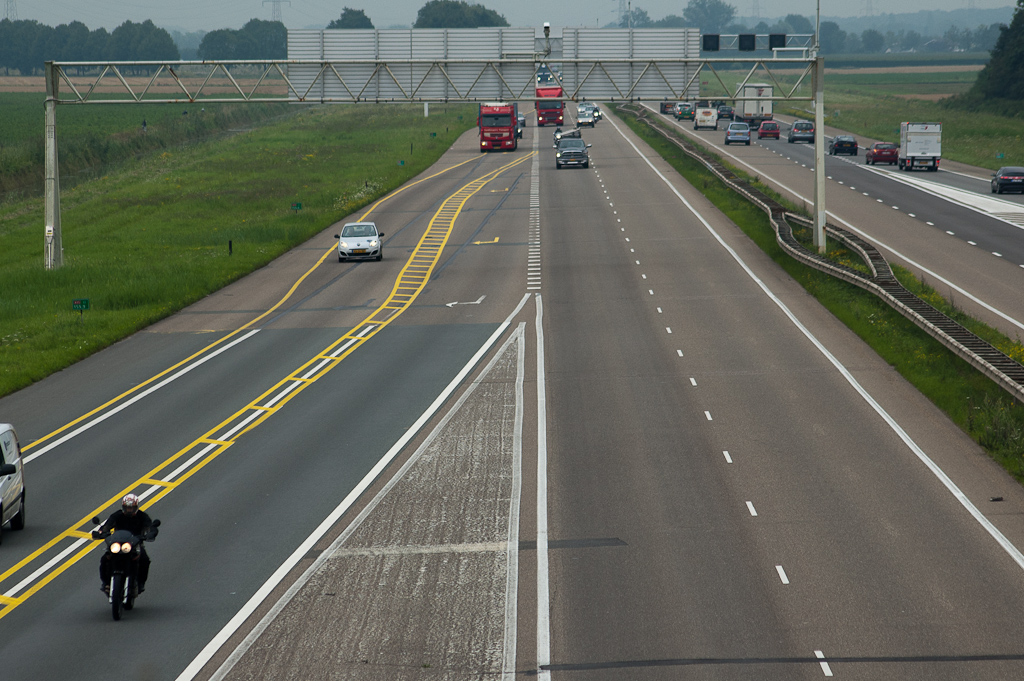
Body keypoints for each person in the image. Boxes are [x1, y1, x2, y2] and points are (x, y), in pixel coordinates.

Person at [93, 493, 153, 595]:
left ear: (136, 507)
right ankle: (106, 583)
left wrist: (150, 533)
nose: (129, 510)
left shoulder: (142, 516)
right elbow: (107, 525)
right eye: (127, 507)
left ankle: (140, 583)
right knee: (104, 559)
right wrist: (101, 532)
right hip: (117, 544)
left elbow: (150, 527)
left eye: (131, 508)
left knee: (144, 560)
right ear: (123, 506)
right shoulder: (117, 515)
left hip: (135, 545)